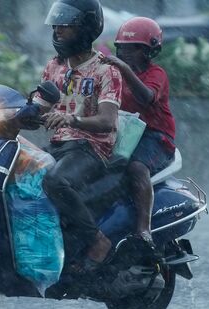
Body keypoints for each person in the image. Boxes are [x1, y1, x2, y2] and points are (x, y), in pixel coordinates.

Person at [29, 0, 123, 271]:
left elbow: (107, 121)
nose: (57, 29)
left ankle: (97, 241)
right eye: (56, 23)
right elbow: (40, 104)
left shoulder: (106, 70)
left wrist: (72, 119)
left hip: (91, 148)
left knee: (56, 181)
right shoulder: (54, 67)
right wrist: (16, 112)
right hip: (59, 144)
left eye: (66, 24)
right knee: (18, 174)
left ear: (86, 28)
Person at [101, 17, 176, 250]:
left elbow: (146, 97)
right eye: (121, 48)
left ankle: (144, 228)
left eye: (134, 48)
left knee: (136, 168)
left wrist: (122, 68)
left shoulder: (157, 74)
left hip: (155, 137)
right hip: (124, 133)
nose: (126, 53)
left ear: (150, 51)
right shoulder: (113, 76)